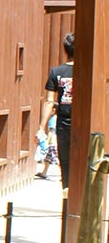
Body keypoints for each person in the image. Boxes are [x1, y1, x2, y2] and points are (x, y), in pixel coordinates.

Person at [41, 33, 74, 191]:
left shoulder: (56, 72)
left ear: (65, 50)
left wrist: (42, 126)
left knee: (65, 165)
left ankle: (67, 202)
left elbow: (49, 101)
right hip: (83, 124)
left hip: (63, 124)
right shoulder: (88, 70)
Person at [35, 113, 58, 179]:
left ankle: (44, 173)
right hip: (53, 140)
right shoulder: (54, 118)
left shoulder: (52, 119)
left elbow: (51, 131)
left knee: (50, 157)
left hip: (51, 141)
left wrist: (47, 142)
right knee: (48, 158)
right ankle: (44, 173)